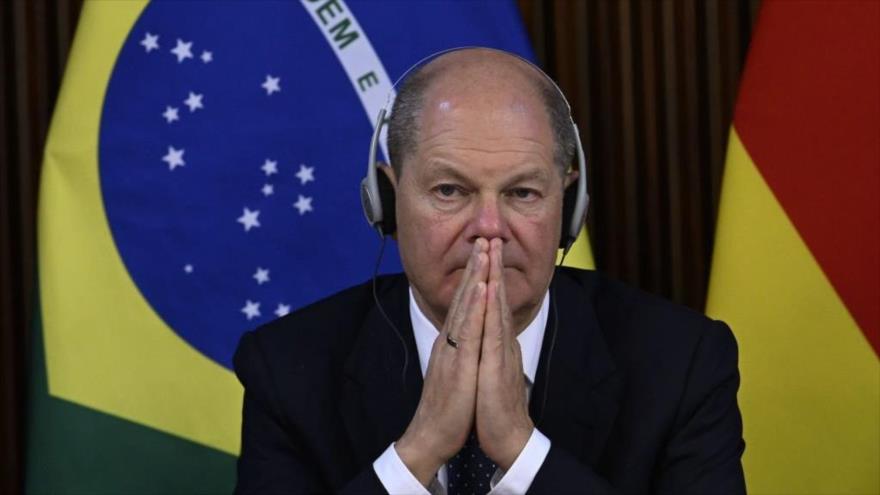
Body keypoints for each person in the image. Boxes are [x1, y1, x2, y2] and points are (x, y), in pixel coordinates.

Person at [233, 48, 746, 494]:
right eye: (449, 191)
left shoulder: (684, 365)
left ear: (568, 208)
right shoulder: (287, 369)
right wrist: (420, 449)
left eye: (522, 193)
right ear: (387, 201)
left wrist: (521, 452)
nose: (488, 229)